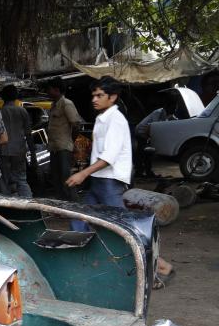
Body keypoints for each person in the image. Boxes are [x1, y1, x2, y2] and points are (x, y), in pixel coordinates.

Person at [66, 77, 132, 232]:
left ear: (113, 96)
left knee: (125, 228)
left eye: (100, 95)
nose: (94, 99)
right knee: (80, 219)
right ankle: (79, 252)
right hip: (98, 180)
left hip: (110, 182)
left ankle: (148, 254)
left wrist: (83, 174)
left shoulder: (115, 120)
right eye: (93, 96)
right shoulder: (102, 118)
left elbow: (109, 158)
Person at [45, 78, 83, 200]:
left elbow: (76, 125)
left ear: (56, 90)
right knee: (56, 178)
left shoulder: (67, 104)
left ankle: (73, 205)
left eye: (49, 89)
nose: (47, 92)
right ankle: (63, 206)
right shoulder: (54, 105)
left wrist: (70, 141)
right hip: (54, 147)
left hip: (64, 148)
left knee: (66, 178)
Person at [0, 85, 33, 197]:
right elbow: (28, 134)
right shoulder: (22, 111)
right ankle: (29, 205)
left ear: (3, 97)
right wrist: (33, 153)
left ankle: (8, 207)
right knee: (21, 180)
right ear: (16, 97)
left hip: (3, 151)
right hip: (19, 151)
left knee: (4, 180)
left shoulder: (0, 112)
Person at [134, 94, 177, 178]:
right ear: (167, 107)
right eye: (173, 107)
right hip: (141, 132)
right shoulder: (158, 113)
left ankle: (147, 172)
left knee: (147, 154)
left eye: (176, 107)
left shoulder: (169, 114)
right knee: (142, 153)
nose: (175, 109)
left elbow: (176, 121)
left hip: (148, 133)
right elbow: (151, 127)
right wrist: (148, 139)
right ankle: (139, 173)